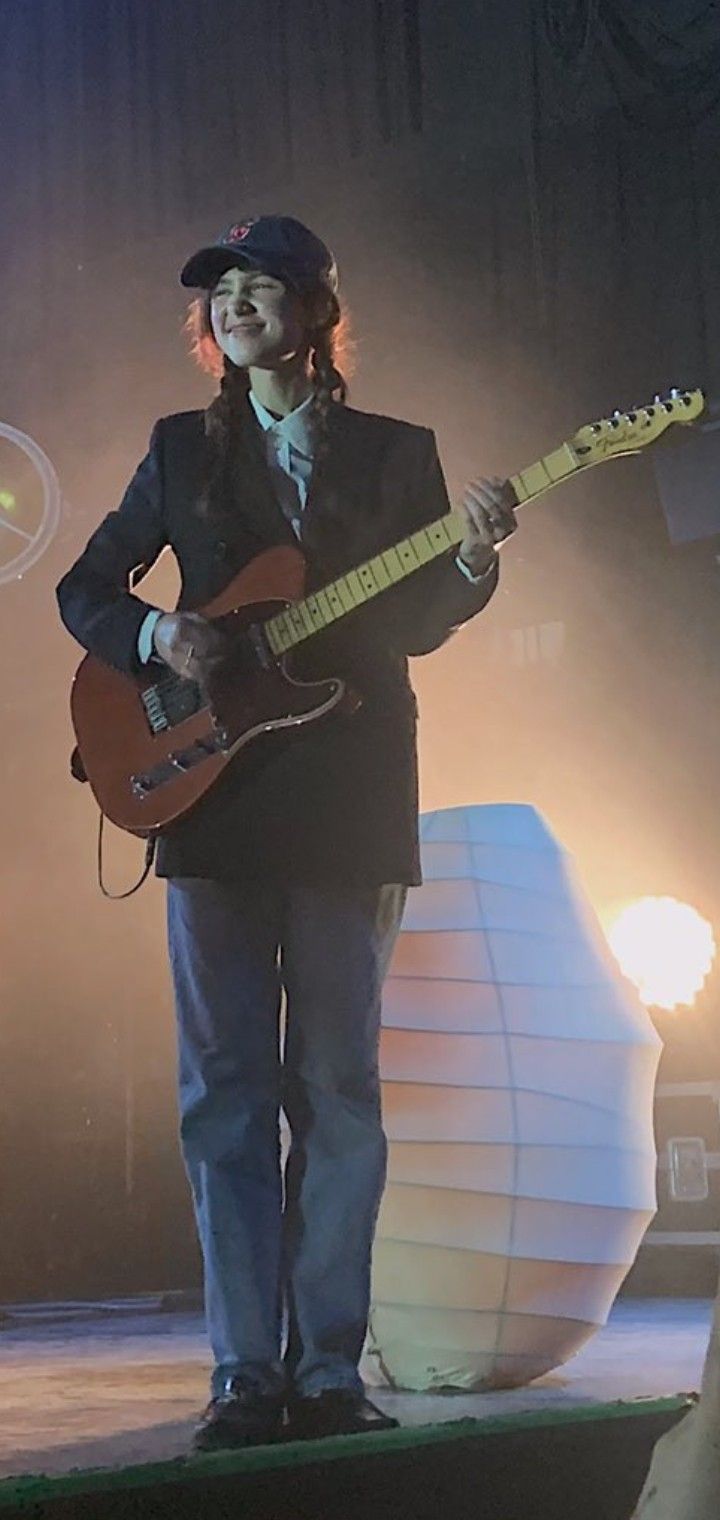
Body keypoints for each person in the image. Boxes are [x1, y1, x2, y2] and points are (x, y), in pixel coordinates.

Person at [56, 215, 517, 1450]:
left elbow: (417, 622)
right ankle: (240, 1374)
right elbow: (84, 589)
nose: (236, 304)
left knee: (339, 1092)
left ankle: (327, 1368)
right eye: (222, 294)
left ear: (316, 313)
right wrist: (164, 636)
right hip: (209, 796)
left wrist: (470, 564)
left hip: (351, 793)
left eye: (263, 287)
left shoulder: (395, 450)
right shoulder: (177, 454)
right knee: (224, 1094)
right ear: (209, 332)